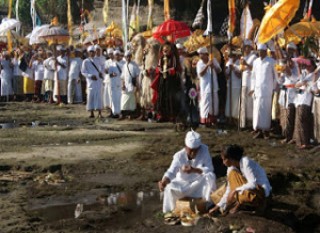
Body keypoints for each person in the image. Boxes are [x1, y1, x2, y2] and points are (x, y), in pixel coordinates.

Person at [158, 130, 217, 213]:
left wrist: (194, 170)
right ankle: (172, 211)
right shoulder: (179, 156)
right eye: (191, 150)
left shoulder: (204, 149)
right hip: (183, 183)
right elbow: (171, 172)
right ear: (186, 147)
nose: (193, 152)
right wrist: (164, 181)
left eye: (195, 150)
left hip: (198, 181)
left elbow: (210, 168)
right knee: (169, 187)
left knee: (210, 176)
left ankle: (206, 204)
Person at [209, 144, 272, 215]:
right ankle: (241, 202)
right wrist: (218, 206)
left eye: (224, 159)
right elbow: (229, 188)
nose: (223, 163)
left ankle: (260, 204)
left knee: (236, 195)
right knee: (229, 204)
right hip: (247, 190)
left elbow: (253, 184)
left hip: (260, 192)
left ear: (231, 159)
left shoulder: (246, 162)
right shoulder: (231, 169)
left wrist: (235, 191)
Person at [249, 43, 277, 139]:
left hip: (267, 90)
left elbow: (275, 77)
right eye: (258, 51)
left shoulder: (271, 61)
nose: (260, 53)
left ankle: (266, 131)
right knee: (257, 110)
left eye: (261, 51)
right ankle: (258, 130)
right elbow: (253, 76)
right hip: (257, 90)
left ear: (265, 51)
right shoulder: (255, 62)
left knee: (266, 110)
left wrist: (274, 88)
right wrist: (252, 88)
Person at [152, 41, 182, 122]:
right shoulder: (161, 58)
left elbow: (175, 68)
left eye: (166, 50)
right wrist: (160, 70)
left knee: (170, 98)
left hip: (171, 81)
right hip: (163, 80)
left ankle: (171, 115)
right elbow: (158, 67)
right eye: (163, 50)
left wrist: (168, 71)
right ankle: (161, 115)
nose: (164, 51)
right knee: (161, 96)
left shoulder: (173, 58)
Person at [278, 43, 299, 144]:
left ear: (294, 51)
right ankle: (285, 135)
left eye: (291, 50)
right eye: (287, 50)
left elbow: (297, 79)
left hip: (292, 92)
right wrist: (279, 74)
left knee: (290, 115)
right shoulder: (285, 62)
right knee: (284, 115)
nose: (288, 52)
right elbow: (280, 80)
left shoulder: (297, 63)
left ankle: (290, 137)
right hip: (284, 91)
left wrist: (289, 72)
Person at [293, 59, 317, 149]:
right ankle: (299, 141)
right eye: (306, 65)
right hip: (299, 99)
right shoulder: (304, 73)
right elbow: (297, 84)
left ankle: (306, 142)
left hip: (306, 99)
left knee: (303, 120)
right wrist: (302, 83)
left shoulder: (313, 74)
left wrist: (304, 84)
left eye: (309, 65)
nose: (307, 67)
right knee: (298, 120)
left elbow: (311, 86)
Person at [196, 47, 222, 126]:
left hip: (214, 85)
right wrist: (207, 66)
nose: (201, 56)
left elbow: (219, 71)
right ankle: (205, 120)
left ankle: (213, 119)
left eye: (202, 54)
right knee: (206, 103)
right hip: (205, 86)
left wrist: (213, 66)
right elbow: (200, 74)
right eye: (200, 54)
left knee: (214, 103)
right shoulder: (199, 63)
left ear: (206, 55)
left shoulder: (213, 60)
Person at [81, 45, 103, 118]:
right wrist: (90, 76)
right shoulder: (85, 61)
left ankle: (100, 113)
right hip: (90, 82)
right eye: (90, 52)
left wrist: (101, 73)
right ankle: (91, 113)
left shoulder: (98, 60)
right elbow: (83, 72)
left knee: (99, 96)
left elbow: (102, 68)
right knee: (90, 96)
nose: (92, 53)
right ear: (88, 53)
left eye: (93, 52)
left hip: (98, 81)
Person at [239, 39, 257, 129]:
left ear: (250, 48)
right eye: (245, 47)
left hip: (251, 83)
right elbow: (241, 69)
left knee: (250, 103)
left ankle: (250, 122)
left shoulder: (253, 57)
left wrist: (246, 64)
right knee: (243, 103)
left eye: (247, 47)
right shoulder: (243, 57)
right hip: (244, 82)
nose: (246, 49)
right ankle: (243, 123)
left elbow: (255, 69)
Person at [120, 51, 140, 119]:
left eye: (129, 56)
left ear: (131, 56)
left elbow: (137, 75)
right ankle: (123, 114)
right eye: (127, 56)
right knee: (124, 99)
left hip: (132, 85)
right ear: (125, 57)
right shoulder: (124, 65)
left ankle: (131, 115)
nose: (128, 58)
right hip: (125, 86)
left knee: (131, 100)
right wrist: (122, 85)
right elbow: (122, 77)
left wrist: (137, 85)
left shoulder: (134, 65)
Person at [108, 50, 125, 118]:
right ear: (114, 56)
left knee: (121, 98)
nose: (117, 56)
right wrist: (113, 74)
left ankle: (121, 112)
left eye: (118, 54)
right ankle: (114, 113)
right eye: (116, 55)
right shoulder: (112, 64)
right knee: (114, 98)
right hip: (114, 84)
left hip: (121, 83)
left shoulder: (124, 63)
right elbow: (110, 75)